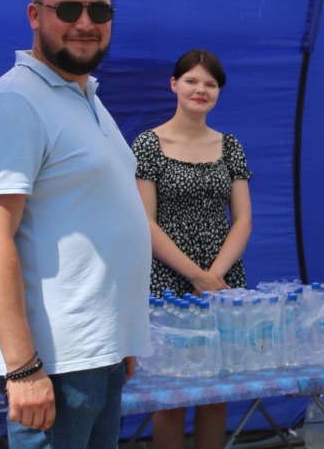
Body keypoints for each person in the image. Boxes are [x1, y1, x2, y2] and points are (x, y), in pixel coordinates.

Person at [0, 0, 151, 449]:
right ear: (35, 15)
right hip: (55, 364)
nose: (86, 24)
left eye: (100, 12)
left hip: (97, 353)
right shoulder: (16, 101)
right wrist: (24, 368)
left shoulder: (86, 97)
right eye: (68, 10)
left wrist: (121, 337)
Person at [133, 49, 252, 449]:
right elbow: (144, 222)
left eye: (211, 83)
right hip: (167, 279)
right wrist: (195, 276)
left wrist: (214, 277)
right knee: (171, 393)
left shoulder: (230, 145)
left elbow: (243, 220)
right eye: (192, 80)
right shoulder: (148, 145)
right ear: (174, 84)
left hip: (223, 280)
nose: (201, 89)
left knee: (216, 389)